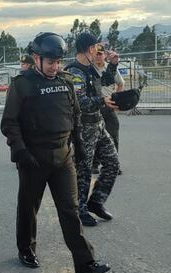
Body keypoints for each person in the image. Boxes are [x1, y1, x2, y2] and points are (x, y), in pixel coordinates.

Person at [1, 32, 110, 273]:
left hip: (63, 157)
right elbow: (9, 123)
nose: (55, 66)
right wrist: (19, 150)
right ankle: (26, 249)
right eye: (50, 62)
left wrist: (80, 146)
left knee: (70, 210)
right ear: (36, 58)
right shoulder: (22, 84)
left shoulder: (66, 81)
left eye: (58, 62)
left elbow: (75, 115)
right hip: (33, 158)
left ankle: (84, 263)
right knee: (29, 207)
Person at [65, 32, 121, 227]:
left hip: (98, 125)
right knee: (84, 171)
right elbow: (80, 102)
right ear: (90, 49)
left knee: (112, 163)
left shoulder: (90, 69)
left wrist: (113, 64)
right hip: (84, 128)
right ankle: (80, 211)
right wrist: (103, 101)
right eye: (96, 47)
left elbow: (105, 81)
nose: (99, 51)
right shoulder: (74, 72)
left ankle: (96, 201)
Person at [92, 43, 124, 175]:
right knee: (93, 136)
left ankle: (113, 164)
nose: (98, 56)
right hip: (94, 106)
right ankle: (94, 164)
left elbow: (120, 84)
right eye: (96, 54)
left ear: (105, 55)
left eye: (101, 54)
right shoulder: (90, 69)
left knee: (113, 134)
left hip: (108, 106)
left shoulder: (110, 69)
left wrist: (117, 100)